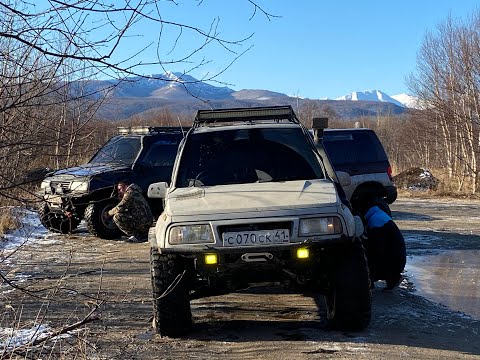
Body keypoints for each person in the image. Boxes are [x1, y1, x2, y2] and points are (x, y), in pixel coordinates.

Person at [359, 201, 406, 290]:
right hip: (397, 258)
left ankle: (372, 281)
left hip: (394, 259)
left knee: (369, 254)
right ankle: (392, 278)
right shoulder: (378, 215)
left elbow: (376, 247)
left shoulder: (376, 220)